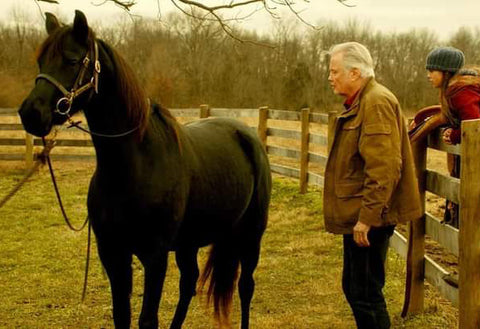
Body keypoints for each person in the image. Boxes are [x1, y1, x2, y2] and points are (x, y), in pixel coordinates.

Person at [323, 41, 423, 329]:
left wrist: (366, 218)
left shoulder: (376, 102)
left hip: (370, 217)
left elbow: (384, 168)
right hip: (363, 213)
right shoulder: (363, 101)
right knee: (357, 289)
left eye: (334, 71)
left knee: (365, 294)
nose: (330, 77)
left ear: (354, 73)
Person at [424, 46, 480, 227]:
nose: (428, 75)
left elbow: (474, 124)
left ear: (445, 72)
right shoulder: (457, 89)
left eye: (432, 70)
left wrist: (455, 134)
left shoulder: (460, 91)